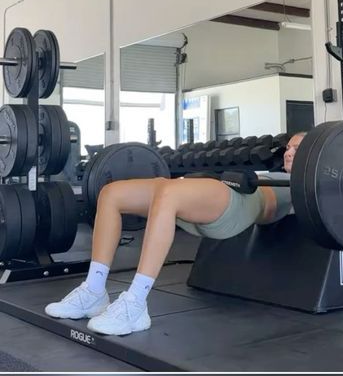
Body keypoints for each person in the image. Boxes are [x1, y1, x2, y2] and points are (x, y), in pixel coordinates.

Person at [45, 131, 306, 336]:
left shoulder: (309, 185)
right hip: (216, 199)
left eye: (298, 148)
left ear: (316, 154)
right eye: (288, 148)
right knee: (111, 194)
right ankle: (94, 290)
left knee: (169, 192)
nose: (289, 153)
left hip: (239, 207)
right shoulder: (270, 172)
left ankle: (136, 303)